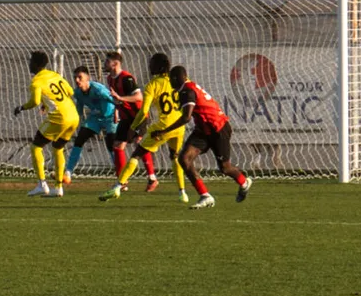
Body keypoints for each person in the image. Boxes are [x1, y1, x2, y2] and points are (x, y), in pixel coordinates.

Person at [151, 65, 253, 209]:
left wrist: (163, 131)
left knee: (225, 168)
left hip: (218, 128)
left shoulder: (187, 91)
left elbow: (186, 117)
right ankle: (205, 196)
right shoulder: (187, 88)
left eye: (171, 80)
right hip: (203, 130)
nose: (170, 83)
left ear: (175, 79)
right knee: (184, 158)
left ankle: (244, 182)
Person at [101, 53, 188, 202]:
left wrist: (133, 127)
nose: (149, 66)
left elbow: (143, 111)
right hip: (179, 126)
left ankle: (118, 187)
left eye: (151, 64)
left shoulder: (152, 85)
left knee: (136, 154)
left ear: (156, 66)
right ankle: (182, 193)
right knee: (174, 157)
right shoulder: (177, 82)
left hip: (162, 127)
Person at [14, 51, 79, 197]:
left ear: (36, 65)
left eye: (31, 61)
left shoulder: (36, 81)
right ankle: (58, 187)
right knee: (58, 149)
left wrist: (21, 107)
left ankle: (42, 184)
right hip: (73, 116)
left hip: (59, 118)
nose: (29, 64)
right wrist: (47, 102)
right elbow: (69, 91)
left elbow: (35, 102)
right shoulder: (55, 75)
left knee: (36, 147)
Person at [104, 51, 156, 183]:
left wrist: (120, 98)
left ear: (115, 63)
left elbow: (139, 97)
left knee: (140, 144)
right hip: (126, 117)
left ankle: (151, 177)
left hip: (138, 116)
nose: (104, 64)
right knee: (117, 145)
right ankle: (123, 181)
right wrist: (116, 111)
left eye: (107, 61)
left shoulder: (127, 78)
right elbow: (116, 98)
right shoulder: (110, 78)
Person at [62, 66, 116, 185]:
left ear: (88, 78)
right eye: (75, 77)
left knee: (111, 144)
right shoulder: (77, 93)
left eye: (80, 77)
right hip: (95, 118)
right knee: (80, 139)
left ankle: (121, 177)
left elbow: (115, 100)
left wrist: (117, 113)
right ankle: (68, 172)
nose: (77, 80)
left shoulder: (98, 89)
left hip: (110, 116)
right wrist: (72, 124)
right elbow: (79, 110)